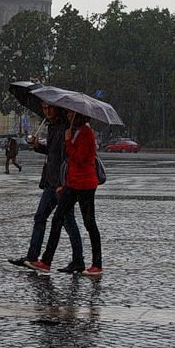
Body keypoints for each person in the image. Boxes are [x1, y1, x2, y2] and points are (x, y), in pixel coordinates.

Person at [8, 103, 85, 273]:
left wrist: (65, 184)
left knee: (68, 221)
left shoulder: (66, 126)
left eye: (49, 108)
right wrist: (37, 146)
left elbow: (68, 156)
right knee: (40, 217)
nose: (47, 111)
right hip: (50, 182)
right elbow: (52, 151)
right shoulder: (53, 126)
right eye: (43, 108)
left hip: (61, 184)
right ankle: (32, 257)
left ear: (57, 108)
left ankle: (78, 260)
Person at [26, 110, 103, 276]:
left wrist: (68, 141)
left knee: (90, 223)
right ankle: (46, 261)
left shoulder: (86, 133)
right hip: (73, 183)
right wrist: (65, 183)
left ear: (79, 116)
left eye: (71, 114)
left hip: (86, 185)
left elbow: (79, 158)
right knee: (57, 219)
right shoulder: (75, 131)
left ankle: (97, 264)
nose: (68, 116)